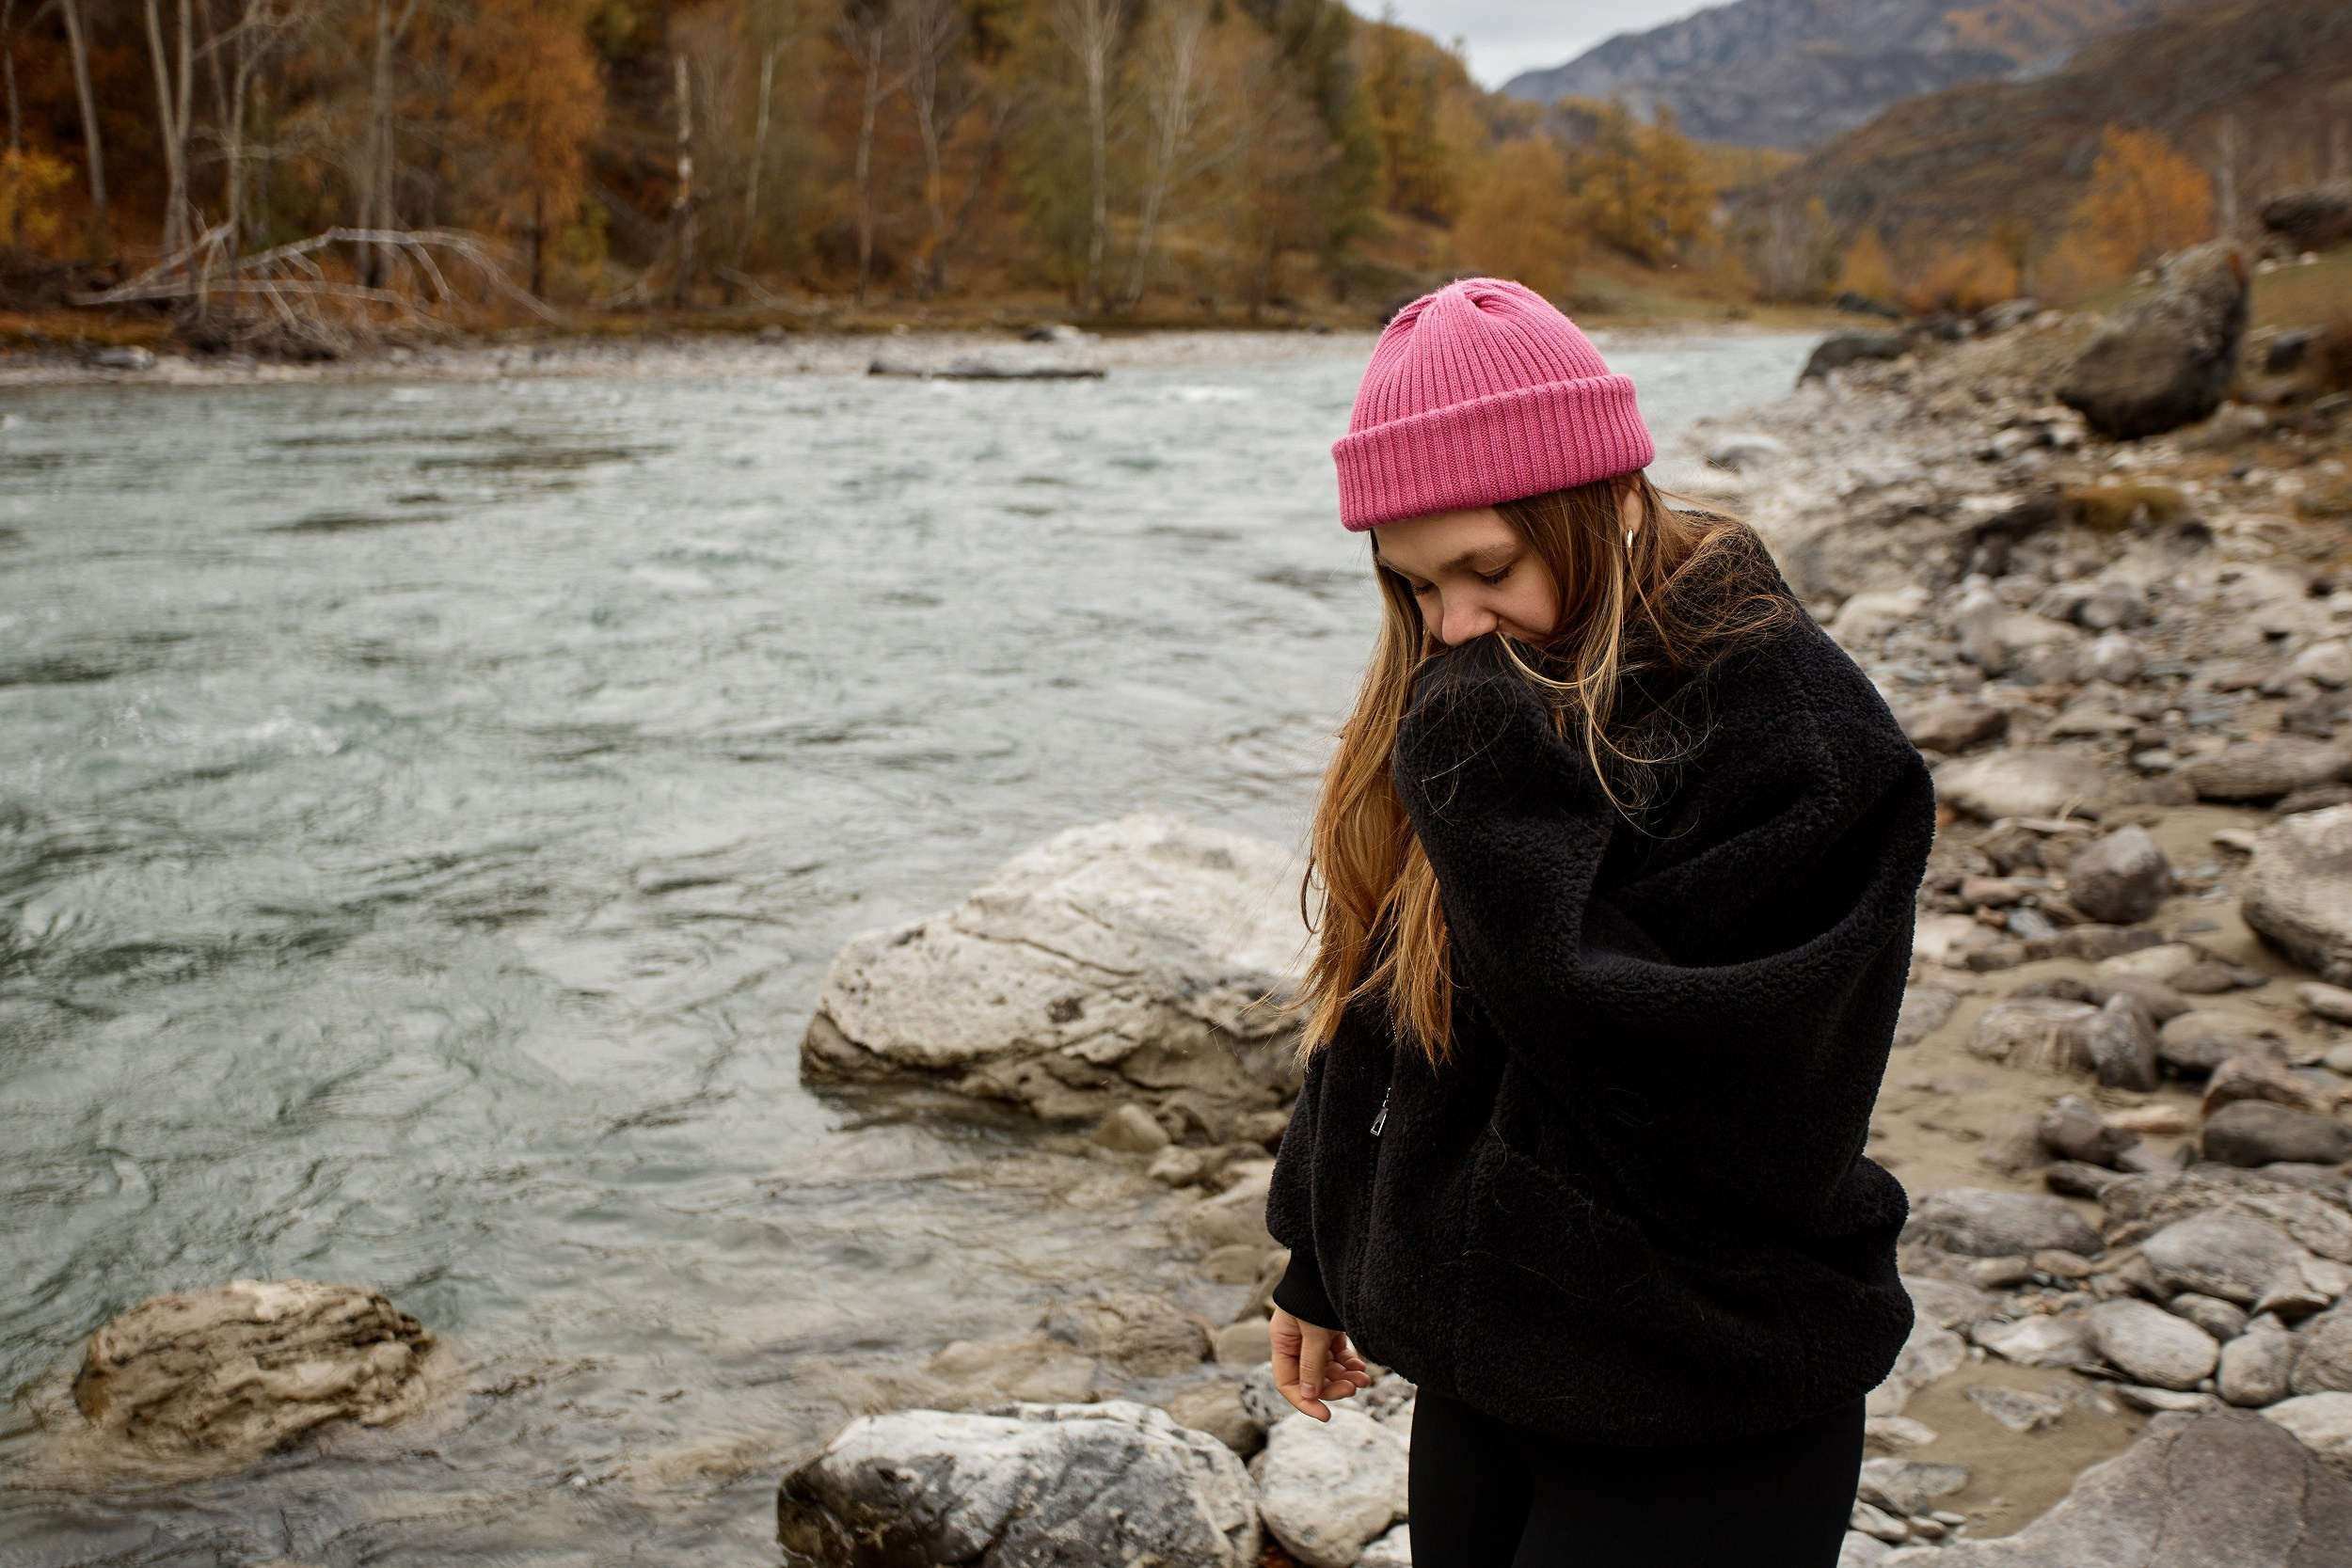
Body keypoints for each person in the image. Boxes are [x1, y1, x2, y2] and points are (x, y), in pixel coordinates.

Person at [1262, 277, 1936, 1568]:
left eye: (1487, 570)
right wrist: (1320, 1245)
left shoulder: (1802, 739)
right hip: (1490, 1369)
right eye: (1417, 587)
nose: (1453, 625)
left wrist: (1478, 779)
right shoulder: (1505, 680)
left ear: (1610, 500)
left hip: (1705, 1390)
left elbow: (1718, 1103)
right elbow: (1391, 1006)